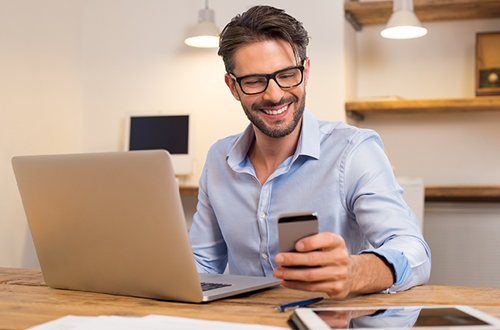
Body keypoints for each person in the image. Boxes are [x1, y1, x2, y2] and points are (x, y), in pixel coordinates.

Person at [188, 5, 431, 300]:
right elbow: (201, 266)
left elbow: (413, 251)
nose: (274, 94)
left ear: (306, 71)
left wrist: (356, 271)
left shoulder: (353, 151)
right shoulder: (218, 160)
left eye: (288, 75)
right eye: (254, 81)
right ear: (233, 87)